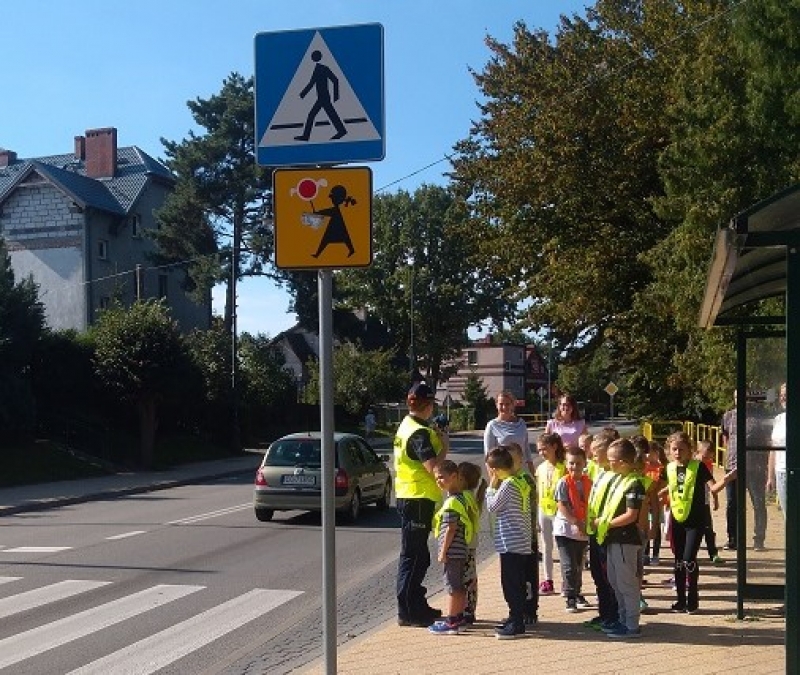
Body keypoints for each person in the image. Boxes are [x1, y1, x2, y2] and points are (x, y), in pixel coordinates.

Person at [394, 382, 449, 627]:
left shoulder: (408, 426)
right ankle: (408, 611)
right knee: (414, 556)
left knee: (418, 556)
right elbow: (432, 468)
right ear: (427, 405)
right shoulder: (418, 433)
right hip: (417, 498)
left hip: (412, 496)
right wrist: (445, 446)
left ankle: (416, 605)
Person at [659, 431, 724, 614]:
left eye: (681, 449)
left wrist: (727, 479)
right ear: (669, 451)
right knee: (678, 561)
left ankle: (693, 599)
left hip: (695, 520)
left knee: (689, 559)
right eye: (674, 449)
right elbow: (664, 486)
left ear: (690, 450)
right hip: (677, 519)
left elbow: (714, 487)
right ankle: (680, 600)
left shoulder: (699, 467)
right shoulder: (669, 468)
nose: (678, 453)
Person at [593, 438, 646, 639]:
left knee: (626, 584)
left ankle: (631, 624)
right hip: (613, 539)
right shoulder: (618, 479)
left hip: (626, 540)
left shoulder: (634, 484)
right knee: (615, 582)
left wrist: (606, 523)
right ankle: (623, 620)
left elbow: (632, 515)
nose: (609, 462)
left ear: (623, 462)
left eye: (612, 459)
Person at [485, 445, 533, 639]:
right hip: (520, 540)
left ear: (495, 470)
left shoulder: (507, 485)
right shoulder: (520, 482)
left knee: (510, 583)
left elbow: (492, 506)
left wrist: (490, 487)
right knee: (517, 582)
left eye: (490, 469)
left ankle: (517, 622)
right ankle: (516, 616)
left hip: (510, 543)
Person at [720, 392, 770, 550]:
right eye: (736, 397)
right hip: (733, 466)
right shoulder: (728, 416)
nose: (740, 400)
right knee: (732, 504)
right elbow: (725, 437)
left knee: (758, 503)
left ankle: (759, 539)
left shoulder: (759, 417)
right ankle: (733, 539)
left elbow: (768, 439)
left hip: (755, 467)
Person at [428, 460, 473, 634]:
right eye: (436, 478)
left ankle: (452, 621)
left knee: (452, 586)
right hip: (460, 549)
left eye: (441, 477)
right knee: (458, 585)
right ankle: (459, 617)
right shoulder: (461, 497)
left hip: (452, 551)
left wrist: (442, 552)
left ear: (454, 476)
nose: (438, 481)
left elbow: (451, 529)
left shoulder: (452, 503)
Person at [583, 430, 620, 631]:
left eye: (596, 453)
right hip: (595, 530)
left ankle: (614, 615)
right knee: (598, 575)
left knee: (608, 577)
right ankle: (604, 612)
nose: (592, 456)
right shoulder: (599, 471)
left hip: (607, 533)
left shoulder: (616, 475)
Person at [554, 446, 592, 612]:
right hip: (565, 530)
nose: (574, 467)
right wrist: (576, 522)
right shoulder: (563, 482)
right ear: (566, 463)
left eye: (578, 463)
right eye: (571, 463)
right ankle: (570, 596)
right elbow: (562, 505)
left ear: (584, 463)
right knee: (569, 565)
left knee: (578, 564)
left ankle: (577, 592)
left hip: (583, 530)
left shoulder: (588, 482)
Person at [506, 442, 539, 625]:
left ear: (521, 459)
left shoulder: (524, 479)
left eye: (513, 459)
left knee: (527, 576)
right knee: (514, 577)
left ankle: (529, 609)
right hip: (512, 538)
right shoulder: (508, 479)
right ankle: (517, 609)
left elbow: (529, 510)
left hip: (525, 537)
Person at [535, 432, 566, 595]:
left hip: (560, 511)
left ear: (554, 447)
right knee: (546, 546)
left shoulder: (564, 467)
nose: (541, 453)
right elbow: (538, 491)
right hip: (543, 510)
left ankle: (565, 580)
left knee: (562, 546)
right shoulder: (540, 468)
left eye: (544, 449)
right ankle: (548, 580)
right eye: (539, 450)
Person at [458, 461, 487, 624]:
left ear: (462, 479)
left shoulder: (463, 498)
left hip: (464, 544)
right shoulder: (471, 497)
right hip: (471, 543)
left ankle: (466, 611)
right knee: (471, 577)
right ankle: (470, 609)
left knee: (465, 578)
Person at [484, 390, 535, 474]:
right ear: (496, 405)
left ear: (513, 405)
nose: (504, 407)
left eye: (507, 404)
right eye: (501, 404)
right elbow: (488, 457)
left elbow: (526, 450)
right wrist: (494, 480)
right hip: (503, 473)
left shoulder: (521, 423)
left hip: (521, 471)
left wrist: (532, 472)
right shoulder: (492, 426)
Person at [695, 439, 723, 564]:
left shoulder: (708, 466)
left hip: (704, 502)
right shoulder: (692, 464)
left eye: (709, 458)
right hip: (691, 503)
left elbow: (712, 484)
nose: (706, 460)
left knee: (708, 529)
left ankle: (713, 553)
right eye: (704, 457)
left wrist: (715, 499)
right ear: (697, 453)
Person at [768, 382, 787, 518]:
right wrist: (770, 477)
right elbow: (773, 450)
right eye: (781, 395)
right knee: (788, 515)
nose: (783, 398)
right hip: (781, 473)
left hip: (795, 472)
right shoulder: (778, 419)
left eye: (786, 395)